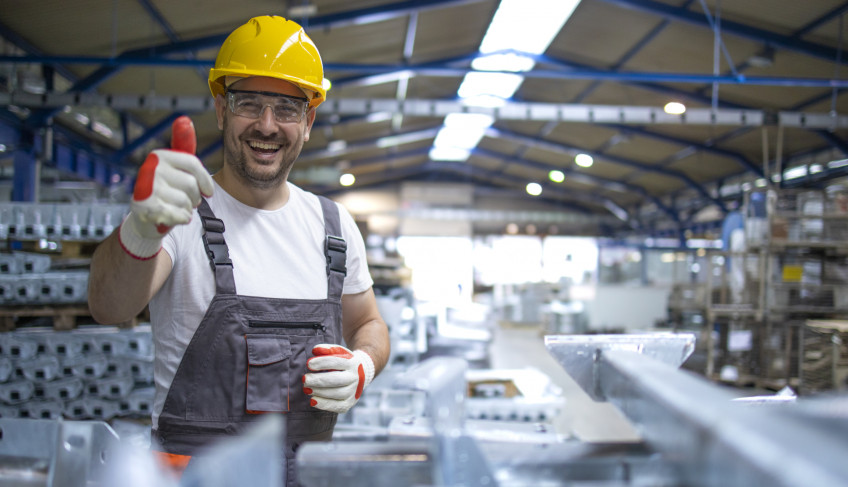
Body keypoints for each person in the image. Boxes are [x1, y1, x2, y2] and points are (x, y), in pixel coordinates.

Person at [87, 15, 390, 485]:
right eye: (249, 103)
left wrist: (364, 364)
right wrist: (143, 230)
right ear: (221, 110)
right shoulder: (177, 210)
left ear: (308, 122)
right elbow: (108, 306)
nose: (267, 126)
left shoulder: (334, 226)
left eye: (287, 109)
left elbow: (368, 322)